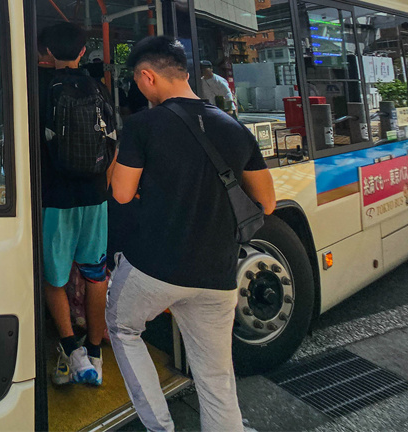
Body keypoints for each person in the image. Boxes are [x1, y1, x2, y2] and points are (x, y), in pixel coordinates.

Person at [107, 36, 275, 432]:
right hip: (217, 274)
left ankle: (160, 427)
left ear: (148, 77)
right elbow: (266, 202)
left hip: (154, 268)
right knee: (216, 373)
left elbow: (121, 192)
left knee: (123, 328)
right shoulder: (232, 126)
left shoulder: (142, 126)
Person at [39, 22, 116, 387]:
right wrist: (102, 184)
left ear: (48, 53)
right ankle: (96, 351)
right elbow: (115, 145)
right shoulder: (98, 88)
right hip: (95, 198)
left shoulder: (39, 89)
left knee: (53, 277)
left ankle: (71, 349)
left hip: (56, 199)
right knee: (94, 272)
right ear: (84, 53)